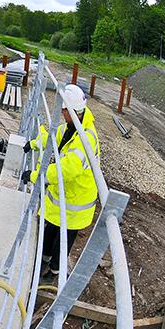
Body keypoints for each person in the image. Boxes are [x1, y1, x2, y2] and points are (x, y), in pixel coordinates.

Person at [21, 84, 100, 282]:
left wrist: (35, 176)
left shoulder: (85, 138)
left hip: (77, 200)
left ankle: (53, 272)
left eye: (63, 110)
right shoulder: (73, 126)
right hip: (66, 194)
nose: (61, 114)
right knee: (52, 228)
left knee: (64, 238)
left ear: (70, 111)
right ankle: (43, 260)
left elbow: (66, 170)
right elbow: (52, 141)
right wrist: (33, 144)